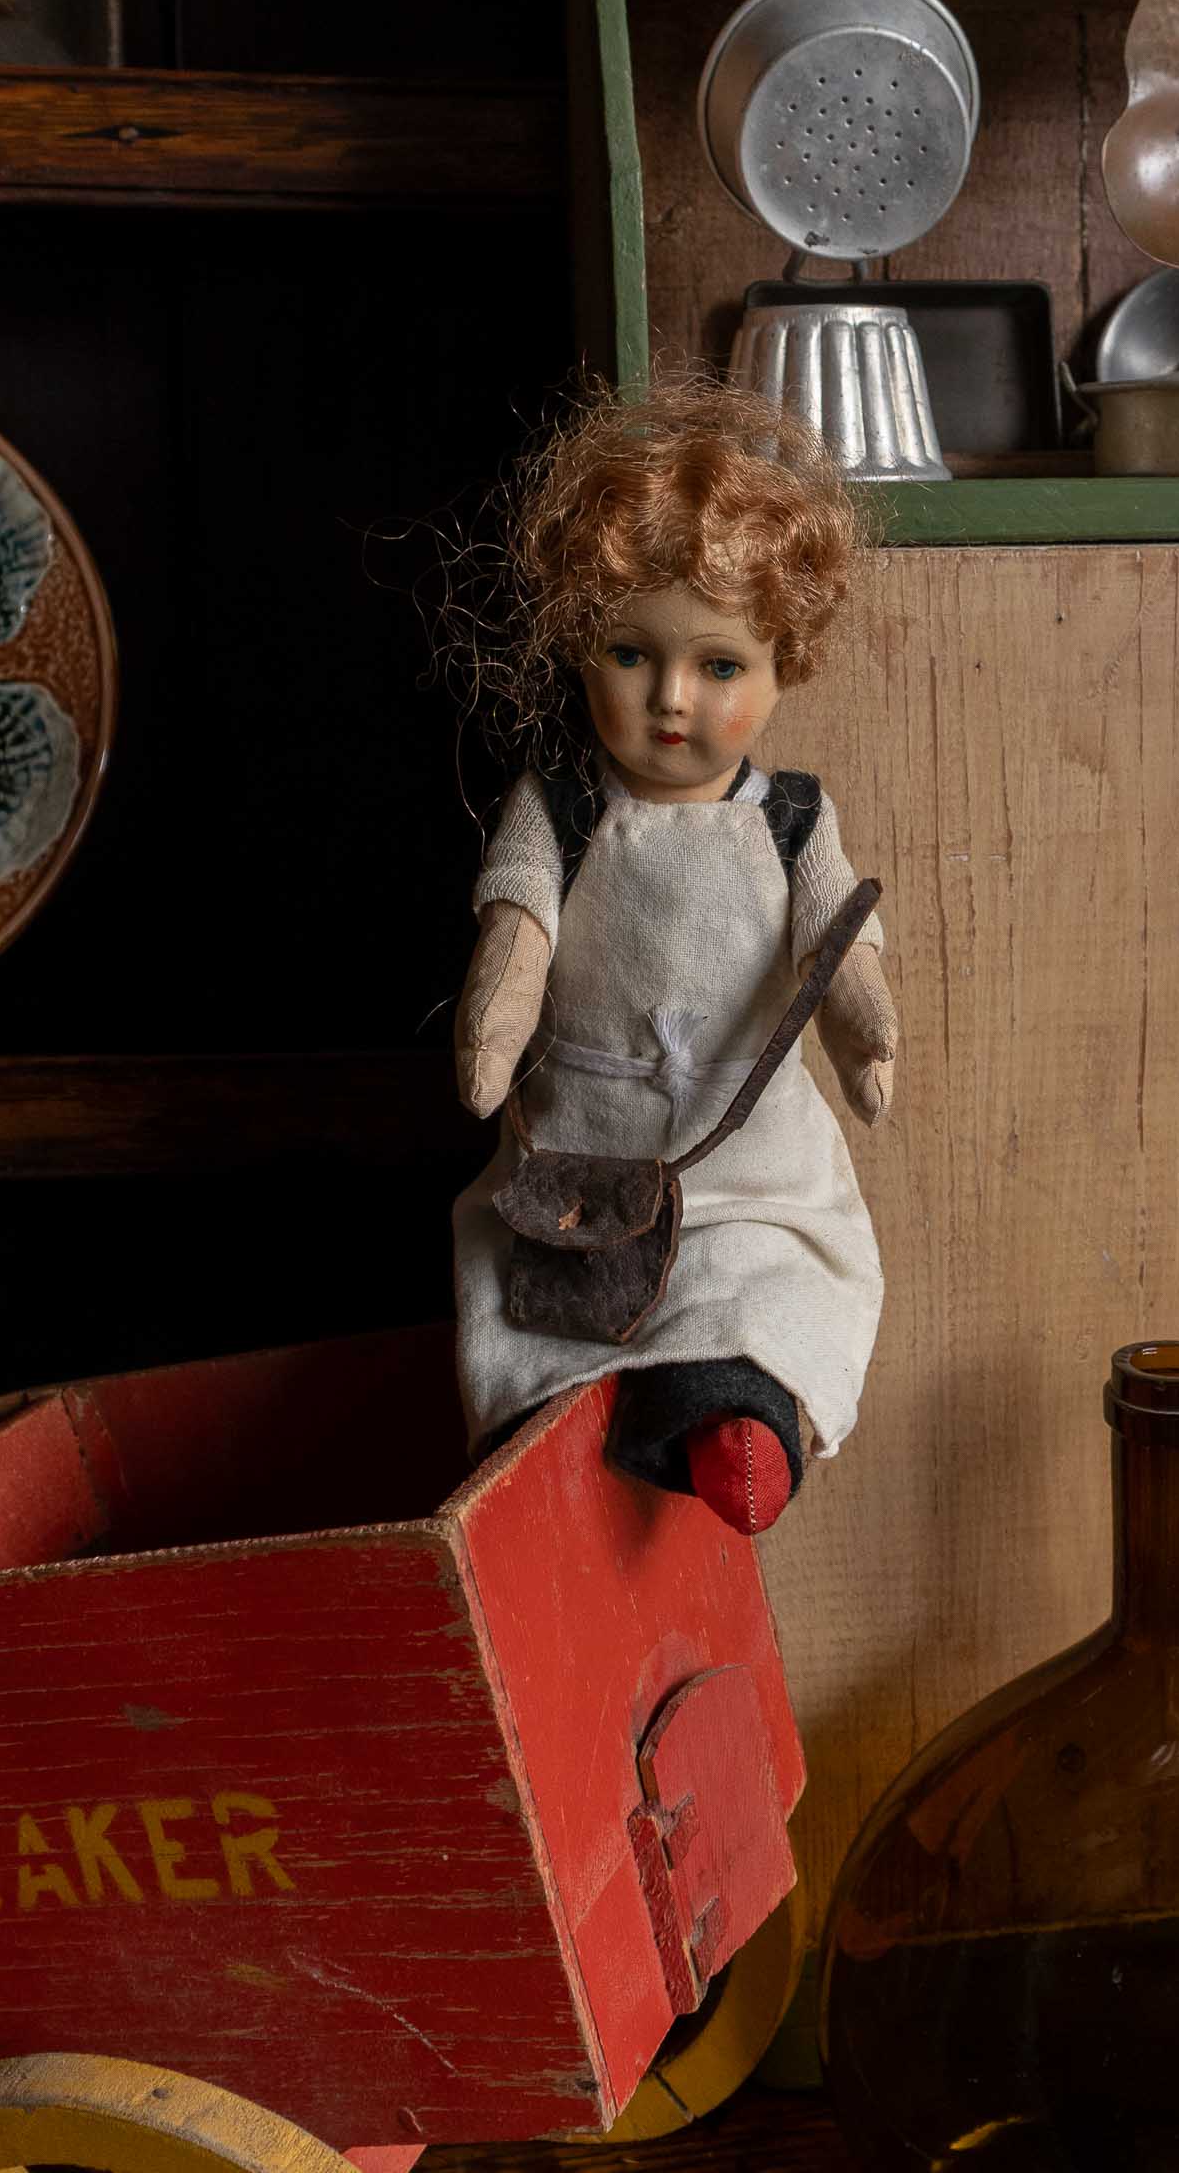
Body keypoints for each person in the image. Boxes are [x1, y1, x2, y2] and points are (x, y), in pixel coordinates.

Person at [449, 381, 897, 1535]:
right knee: (536, 1330)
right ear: (579, 642)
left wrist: (863, 1032)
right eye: (631, 653)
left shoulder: (793, 818)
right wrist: (493, 1034)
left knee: (757, 1294)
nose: (668, 699)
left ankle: (736, 1416)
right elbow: (519, 927)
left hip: (743, 1162)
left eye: (718, 667)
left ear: (782, 663)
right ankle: (542, 1452)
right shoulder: (555, 808)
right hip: (584, 1164)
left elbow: (831, 934)